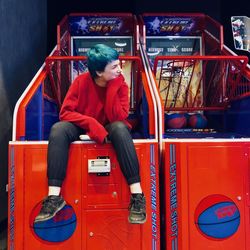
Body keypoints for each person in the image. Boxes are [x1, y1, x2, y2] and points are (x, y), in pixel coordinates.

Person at [35, 44, 146, 224]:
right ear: (99, 72)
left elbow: (118, 116)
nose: (120, 70)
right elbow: (65, 113)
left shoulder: (120, 85)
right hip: (84, 125)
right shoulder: (81, 82)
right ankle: (54, 198)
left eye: (119, 64)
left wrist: (112, 88)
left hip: (110, 126)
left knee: (119, 127)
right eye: (114, 67)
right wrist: (92, 124)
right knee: (58, 129)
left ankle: (138, 196)